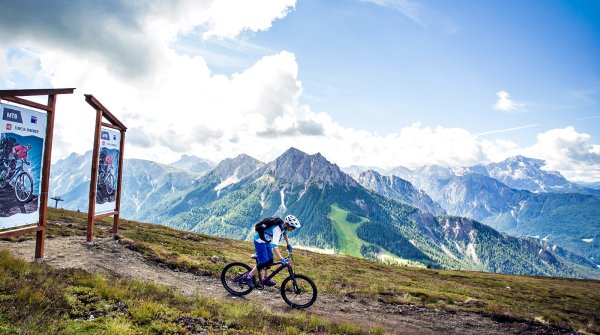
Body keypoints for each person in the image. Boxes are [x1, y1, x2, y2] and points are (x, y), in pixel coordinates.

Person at [241, 215, 301, 288]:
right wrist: (281, 259)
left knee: (270, 260)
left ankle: (266, 279)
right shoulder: (277, 229)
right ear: (288, 225)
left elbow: (285, 233)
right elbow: (274, 247)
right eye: (293, 227)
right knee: (263, 263)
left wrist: (288, 244)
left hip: (266, 241)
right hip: (259, 241)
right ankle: (247, 277)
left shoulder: (283, 227)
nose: (294, 229)